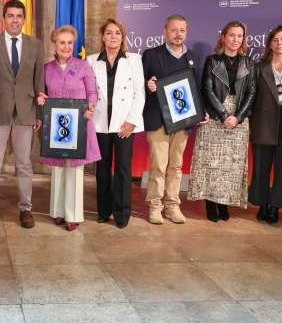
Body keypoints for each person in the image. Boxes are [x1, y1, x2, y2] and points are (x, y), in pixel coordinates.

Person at [0, 0, 45, 230]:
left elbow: (39, 81)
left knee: (24, 164)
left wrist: (39, 113)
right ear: (3, 18)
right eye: (10, 15)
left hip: (26, 112)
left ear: (24, 20)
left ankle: (26, 208)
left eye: (19, 16)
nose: (15, 20)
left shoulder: (35, 45)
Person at [188, 21, 256, 221]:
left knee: (230, 166)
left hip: (239, 119)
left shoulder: (249, 63)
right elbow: (207, 89)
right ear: (224, 37)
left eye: (239, 36)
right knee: (211, 163)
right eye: (232, 35)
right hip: (215, 116)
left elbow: (252, 92)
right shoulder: (212, 61)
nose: (236, 39)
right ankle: (210, 203)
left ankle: (224, 203)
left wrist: (238, 117)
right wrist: (224, 115)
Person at [141, 14, 205, 225]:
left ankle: (172, 206)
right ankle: (155, 206)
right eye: (174, 30)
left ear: (186, 32)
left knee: (176, 166)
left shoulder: (193, 58)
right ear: (165, 31)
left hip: (182, 122)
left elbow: (197, 89)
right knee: (158, 165)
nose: (178, 34)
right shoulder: (151, 55)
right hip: (158, 119)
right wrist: (148, 85)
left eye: (182, 30)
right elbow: (140, 84)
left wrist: (200, 112)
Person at [38, 26, 100, 231]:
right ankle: (57, 211)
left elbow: (92, 93)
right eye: (62, 42)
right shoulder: (46, 69)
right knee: (58, 169)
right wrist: (40, 98)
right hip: (56, 126)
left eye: (70, 43)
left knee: (74, 170)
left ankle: (73, 215)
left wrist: (90, 107)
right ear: (54, 45)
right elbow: (40, 93)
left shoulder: (83, 66)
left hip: (79, 124)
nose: (66, 46)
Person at [87, 19, 145, 228]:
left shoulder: (134, 60)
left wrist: (131, 121)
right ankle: (103, 211)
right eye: (109, 33)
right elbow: (88, 91)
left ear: (123, 37)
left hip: (124, 124)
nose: (113, 37)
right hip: (100, 123)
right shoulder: (92, 60)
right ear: (103, 37)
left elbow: (140, 93)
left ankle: (122, 214)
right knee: (102, 169)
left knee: (122, 168)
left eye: (117, 33)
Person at [248, 26, 282, 224]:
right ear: (270, 43)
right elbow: (251, 96)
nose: (279, 43)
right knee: (261, 166)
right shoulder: (258, 66)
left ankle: (275, 207)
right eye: (275, 40)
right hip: (263, 121)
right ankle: (262, 204)